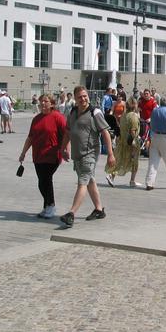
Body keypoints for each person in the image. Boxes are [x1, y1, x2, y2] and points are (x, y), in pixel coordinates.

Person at [59, 86, 115, 228]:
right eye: (80, 97)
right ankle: (99, 209)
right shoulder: (73, 112)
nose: (83, 99)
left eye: (85, 96)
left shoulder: (94, 112)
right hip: (77, 154)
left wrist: (110, 154)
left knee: (82, 182)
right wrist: (63, 148)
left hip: (90, 153)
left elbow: (105, 133)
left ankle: (71, 213)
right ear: (75, 99)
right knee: (89, 180)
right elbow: (68, 132)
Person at [19, 94, 67, 219]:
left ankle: (51, 205)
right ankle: (47, 206)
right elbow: (30, 137)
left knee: (46, 179)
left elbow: (66, 135)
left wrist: (66, 150)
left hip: (52, 154)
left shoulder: (58, 117)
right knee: (41, 182)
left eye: (46, 101)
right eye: (41, 101)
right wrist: (23, 153)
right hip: (38, 155)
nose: (43, 103)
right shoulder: (36, 119)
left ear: (52, 104)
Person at [105, 98, 142, 188]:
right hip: (131, 143)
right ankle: (132, 181)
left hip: (123, 141)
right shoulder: (134, 116)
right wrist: (134, 142)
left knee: (120, 160)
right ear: (135, 105)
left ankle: (111, 176)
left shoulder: (124, 115)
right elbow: (133, 131)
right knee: (134, 161)